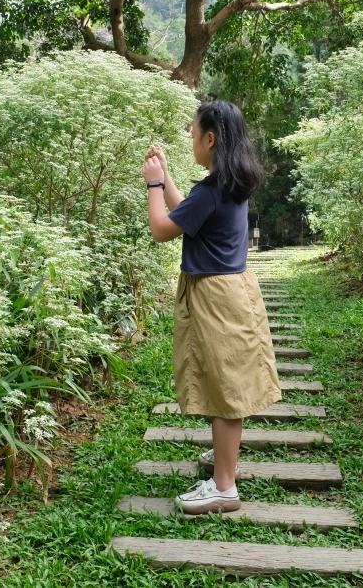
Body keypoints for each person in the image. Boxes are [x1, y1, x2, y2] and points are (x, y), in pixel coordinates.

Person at [141, 99, 281, 514]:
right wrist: (166, 177)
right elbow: (188, 214)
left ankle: (223, 487)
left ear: (210, 139)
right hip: (233, 292)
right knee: (226, 382)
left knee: (224, 390)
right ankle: (224, 461)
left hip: (216, 298)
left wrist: (153, 185)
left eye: (192, 134)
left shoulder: (210, 191)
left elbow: (162, 229)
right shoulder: (230, 184)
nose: (190, 141)